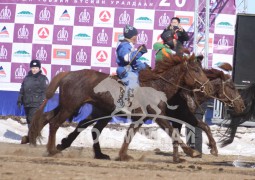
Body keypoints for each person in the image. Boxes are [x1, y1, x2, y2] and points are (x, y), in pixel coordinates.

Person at [116, 24, 148, 113]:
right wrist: (140, 52)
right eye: (136, 35)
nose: (137, 37)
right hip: (124, 70)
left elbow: (133, 61)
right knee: (133, 80)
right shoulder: (124, 45)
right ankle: (123, 104)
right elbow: (127, 59)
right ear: (133, 36)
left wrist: (143, 66)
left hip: (130, 69)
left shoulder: (128, 45)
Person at [17, 59, 49, 144]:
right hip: (27, 103)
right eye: (33, 67)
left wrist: (42, 102)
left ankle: (32, 140)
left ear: (39, 68)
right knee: (29, 120)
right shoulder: (27, 78)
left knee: (32, 120)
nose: (34, 69)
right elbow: (22, 89)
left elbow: (46, 92)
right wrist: (20, 100)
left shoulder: (43, 78)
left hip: (36, 103)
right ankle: (32, 137)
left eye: (36, 67)